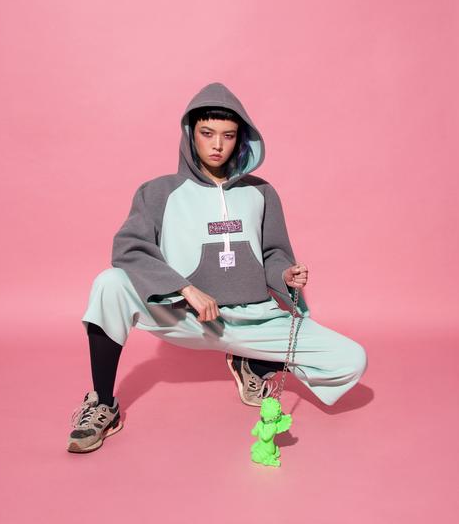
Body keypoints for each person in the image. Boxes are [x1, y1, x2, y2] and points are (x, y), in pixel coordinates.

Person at [67, 82, 368, 454]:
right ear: (190, 134)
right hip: (185, 316)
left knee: (351, 360)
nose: (217, 145)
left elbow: (274, 254)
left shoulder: (261, 193)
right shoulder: (158, 192)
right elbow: (129, 249)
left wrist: (284, 274)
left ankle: (252, 364)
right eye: (207, 133)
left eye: (228, 135)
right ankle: (102, 403)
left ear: (240, 139)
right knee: (109, 283)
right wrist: (184, 289)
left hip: (253, 321)